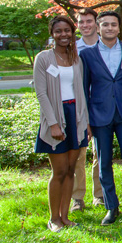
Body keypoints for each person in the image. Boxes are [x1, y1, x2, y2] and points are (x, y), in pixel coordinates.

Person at [80, 11, 122, 225]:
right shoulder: (87, 55)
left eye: (113, 25)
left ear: (119, 28)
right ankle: (111, 207)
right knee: (104, 162)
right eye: (105, 25)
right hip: (99, 116)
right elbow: (84, 88)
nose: (109, 28)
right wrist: (86, 119)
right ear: (98, 28)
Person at [33, 16, 89, 232]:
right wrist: (53, 123)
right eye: (59, 31)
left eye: (67, 30)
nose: (63, 34)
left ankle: (65, 217)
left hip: (75, 116)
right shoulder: (44, 58)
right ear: (52, 33)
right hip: (56, 116)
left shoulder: (76, 57)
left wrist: (85, 122)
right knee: (59, 171)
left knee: (71, 170)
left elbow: (81, 91)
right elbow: (41, 93)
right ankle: (53, 219)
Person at [71, 8, 103, 211]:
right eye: (81, 22)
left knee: (100, 153)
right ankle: (77, 197)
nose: (85, 25)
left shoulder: (106, 46)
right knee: (78, 154)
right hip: (77, 106)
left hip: (100, 105)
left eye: (89, 21)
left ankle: (99, 194)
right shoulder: (72, 48)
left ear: (96, 23)